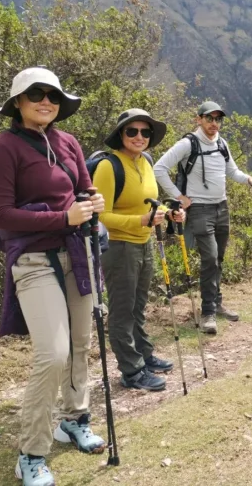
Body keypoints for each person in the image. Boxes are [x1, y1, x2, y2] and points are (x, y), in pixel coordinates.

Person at [0, 67, 106, 486]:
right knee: (52, 353)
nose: (46, 101)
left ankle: (75, 418)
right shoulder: (1, 149)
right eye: (36, 93)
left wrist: (93, 203)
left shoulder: (67, 141)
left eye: (53, 95)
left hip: (77, 254)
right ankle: (31, 453)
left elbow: (84, 191)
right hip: (34, 261)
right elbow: (1, 215)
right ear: (17, 101)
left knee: (81, 344)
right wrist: (64, 216)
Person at [92, 109, 186, 391]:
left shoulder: (145, 161)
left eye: (145, 132)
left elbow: (149, 204)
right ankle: (132, 371)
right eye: (131, 131)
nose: (139, 137)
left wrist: (169, 213)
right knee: (122, 311)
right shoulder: (109, 167)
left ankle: (144, 355)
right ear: (120, 134)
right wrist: (140, 221)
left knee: (138, 306)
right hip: (119, 247)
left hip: (144, 243)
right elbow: (98, 216)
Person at [154, 101, 252, 335]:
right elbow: (159, 168)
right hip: (200, 209)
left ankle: (216, 303)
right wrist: (179, 196)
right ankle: (207, 313)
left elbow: (231, 171)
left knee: (219, 259)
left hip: (222, 207)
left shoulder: (222, 144)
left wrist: (249, 179)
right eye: (209, 118)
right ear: (198, 119)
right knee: (210, 258)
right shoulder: (187, 144)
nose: (214, 123)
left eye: (218, 119)